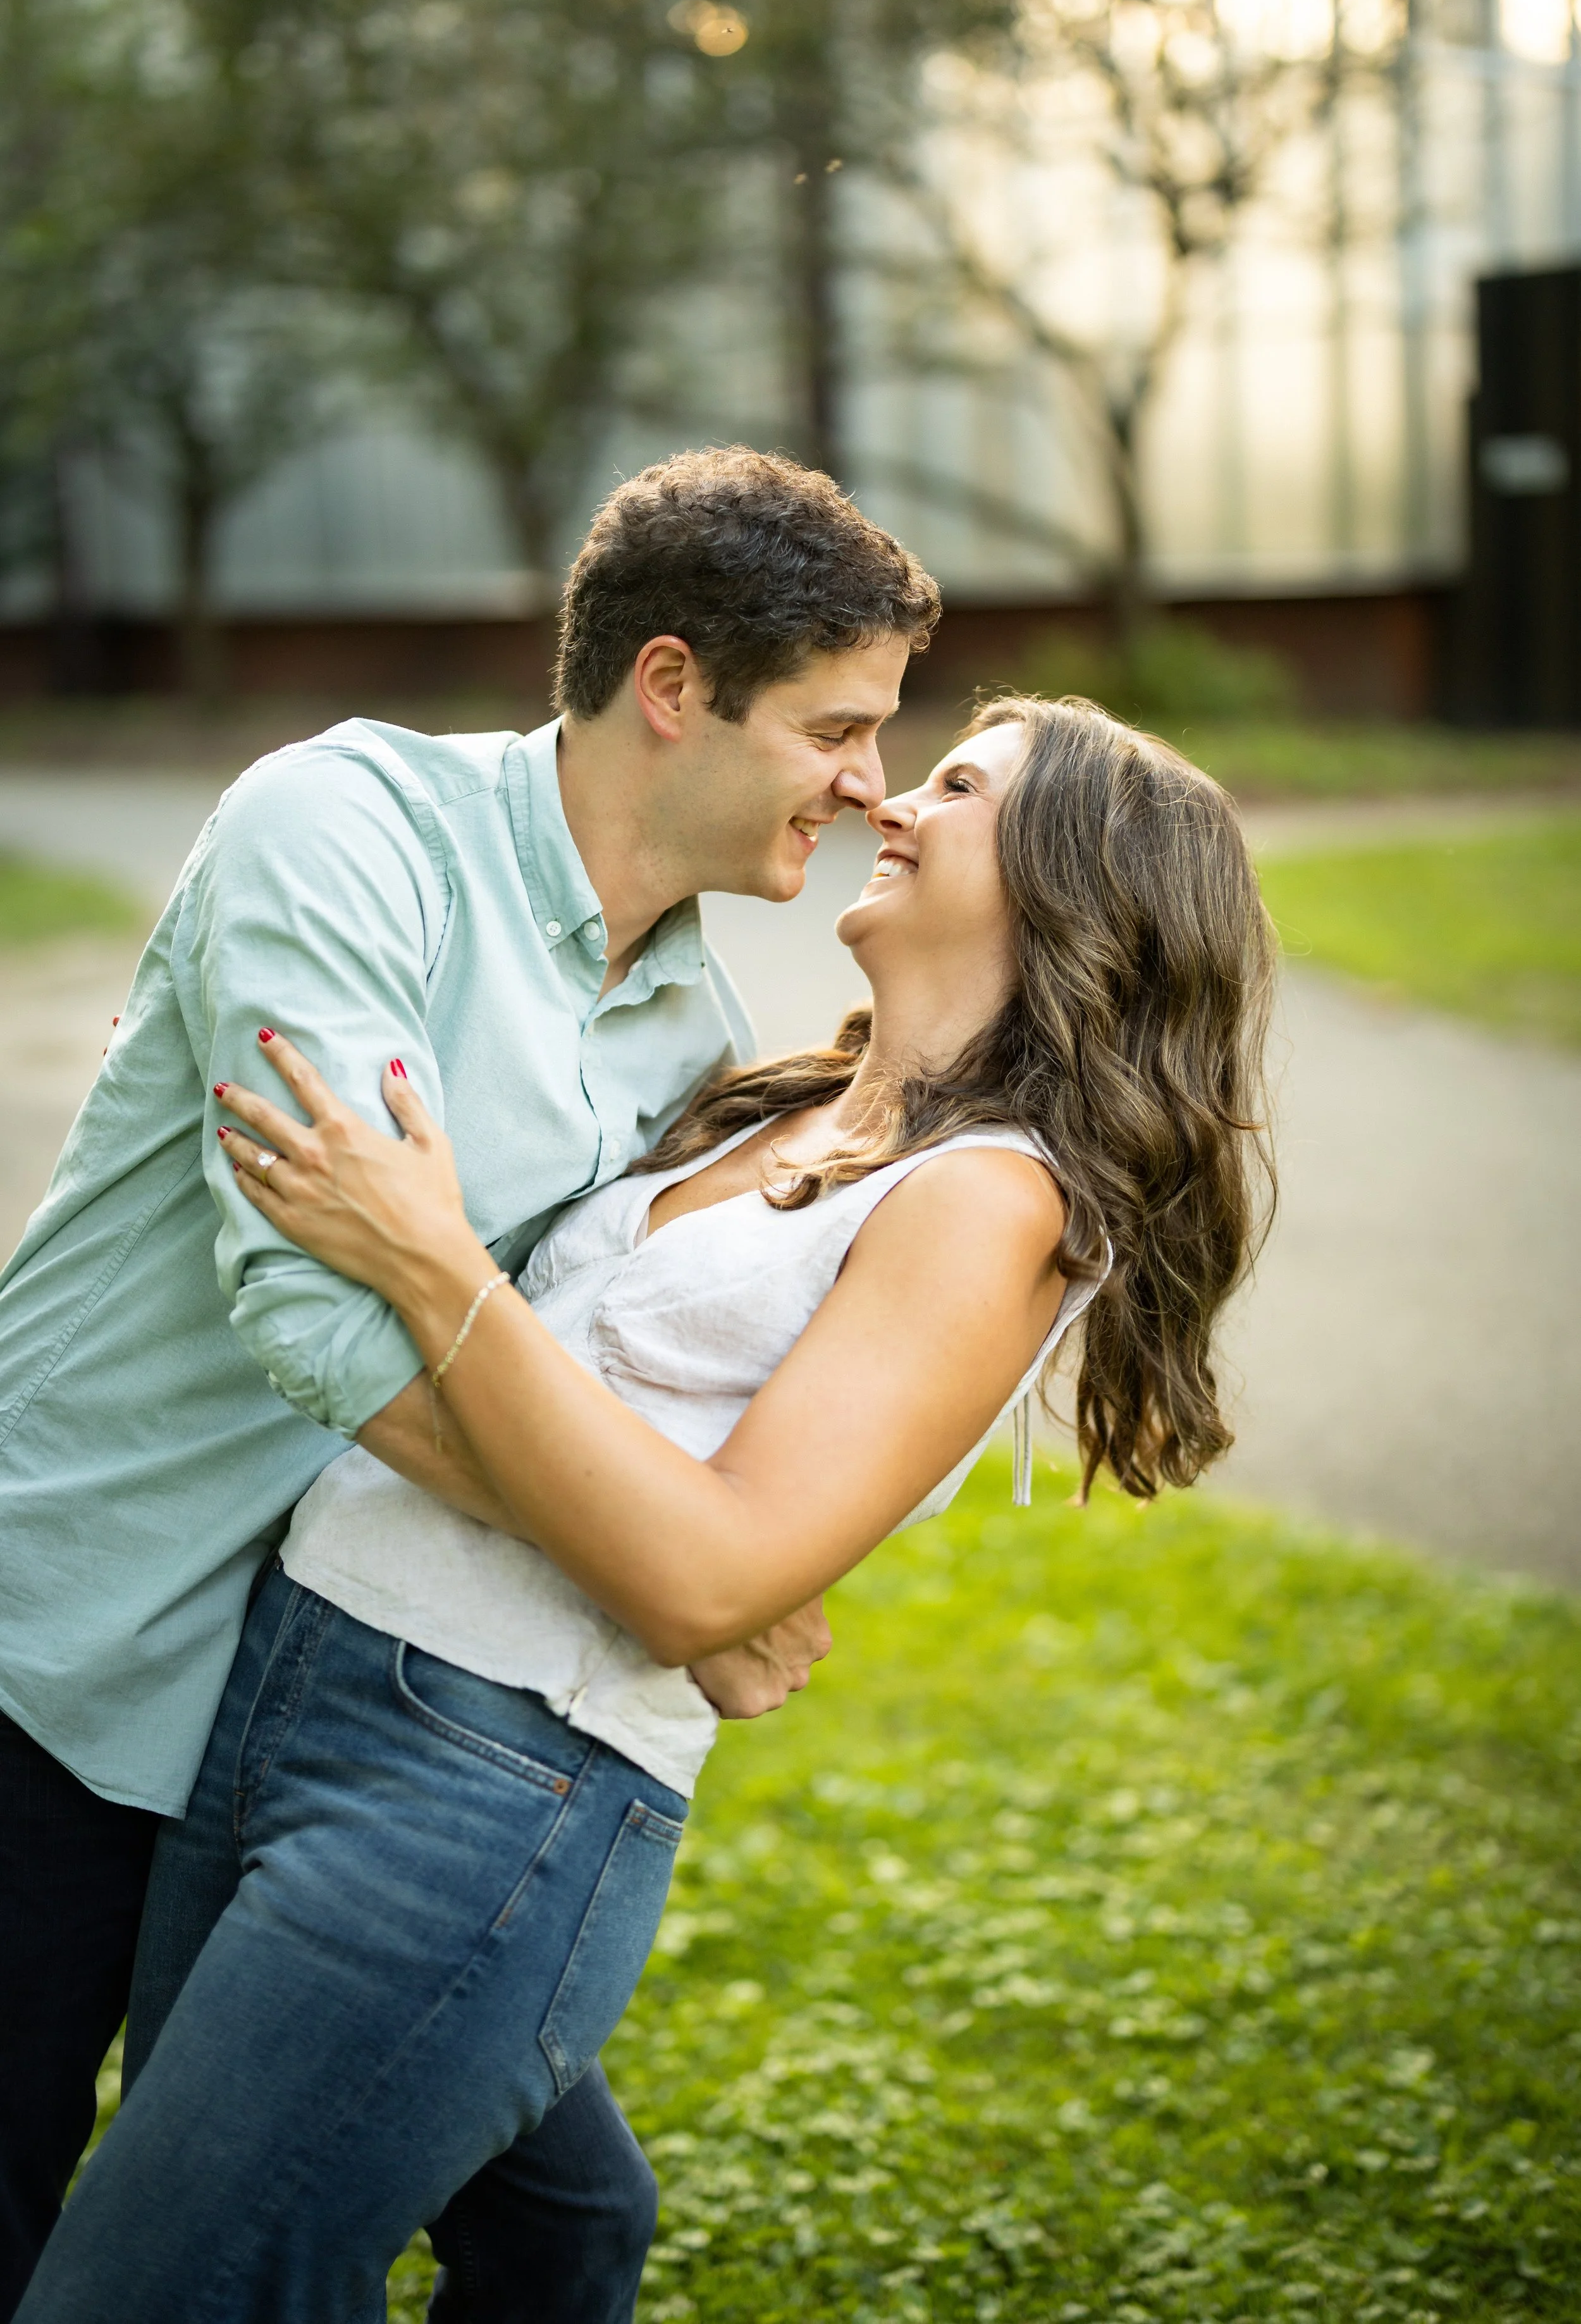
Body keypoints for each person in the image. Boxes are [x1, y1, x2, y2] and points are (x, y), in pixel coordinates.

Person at [17, 695, 1277, 2324]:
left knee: (153, 2294)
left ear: (1070, 883)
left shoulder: (989, 1198)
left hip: (486, 1781)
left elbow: (703, 1578)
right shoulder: (764, 1097)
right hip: (280, 1687)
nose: (887, 802)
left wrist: (427, 1256)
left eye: (955, 786)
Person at [0, 446, 944, 2323]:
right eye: (838, 728)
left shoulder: (696, 1020)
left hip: (311, 1717)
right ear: (672, 686)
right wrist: (675, 1576)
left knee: (557, 2216)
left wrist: (723, 1557)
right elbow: (322, 1314)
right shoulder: (341, 824)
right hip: (58, 1648)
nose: (872, 785)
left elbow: (551, 1354)